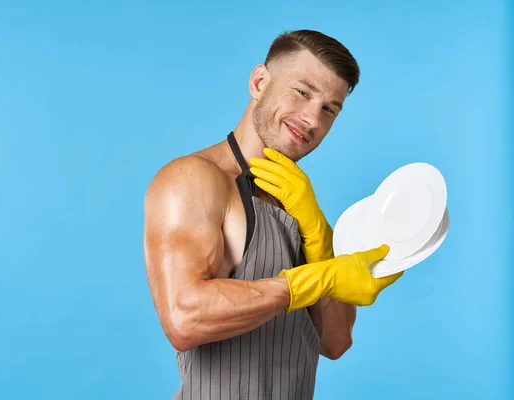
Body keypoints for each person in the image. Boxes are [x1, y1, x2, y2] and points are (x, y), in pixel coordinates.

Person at [143, 29, 404, 400]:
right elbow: (184, 319)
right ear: (260, 82)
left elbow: (336, 342)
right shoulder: (194, 180)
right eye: (302, 92)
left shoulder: (298, 205)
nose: (313, 119)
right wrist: (310, 281)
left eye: (330, 108)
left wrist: (319, 238)